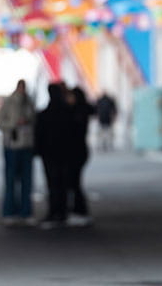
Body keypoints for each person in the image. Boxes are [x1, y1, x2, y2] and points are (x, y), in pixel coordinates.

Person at [0, 80, 36, 226]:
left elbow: (34, 120)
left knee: (27, 181)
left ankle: (26, 212)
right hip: (12, 145)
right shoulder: (9, 102)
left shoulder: (30, 102)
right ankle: (9, 211)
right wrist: (13, 125)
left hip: (27, 145)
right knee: (11, 180)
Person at [35, 83, 72, 229]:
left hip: (49, 154)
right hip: (64, 154)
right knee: (63, 183)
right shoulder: (68, 113)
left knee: (52, 184)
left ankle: (54, 211)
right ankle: (62, 212)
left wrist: (38, 151)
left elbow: (39, 135)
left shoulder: (44, 115)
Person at [67, 86, 96, 226]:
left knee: (75, 183)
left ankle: (80, 210)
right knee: (75, 182)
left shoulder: (76, 112)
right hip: (81, 150)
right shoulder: (83, 109)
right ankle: (78, 210)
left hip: (76, 151)